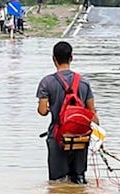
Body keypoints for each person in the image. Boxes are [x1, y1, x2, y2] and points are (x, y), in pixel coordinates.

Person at [35, 38, 96, 183]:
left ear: (53, 59)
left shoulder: (46, 82)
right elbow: (92, 114)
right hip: (80, 138)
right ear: (71, 58)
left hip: (58, 139)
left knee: (58, 184)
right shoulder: (84, 82)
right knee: (79, 182)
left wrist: (49, 107)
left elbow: (42, 111)